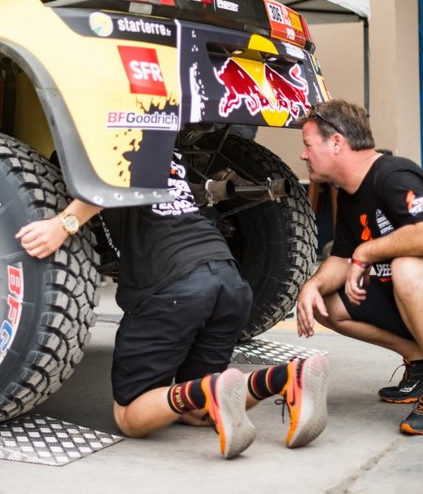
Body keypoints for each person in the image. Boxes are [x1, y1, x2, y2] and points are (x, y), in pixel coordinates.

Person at [17, 150, 329, 457]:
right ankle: (285, 378)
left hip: (175, 286)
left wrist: (61, 225)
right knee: (195, 411)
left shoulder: (111, 139)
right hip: (228, 278)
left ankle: (209, 388)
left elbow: (108, 176)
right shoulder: (166, 150)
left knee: (130, 416)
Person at [295, 99, 423, 435]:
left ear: (337, 143)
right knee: (326, 303)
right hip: (420, 294)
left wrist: (366, 251)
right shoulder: (351, 193)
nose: (304, 155)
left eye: (307, 145)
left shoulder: (391, 175)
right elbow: (340, 258)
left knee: (407, 266)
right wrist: (310, 287)